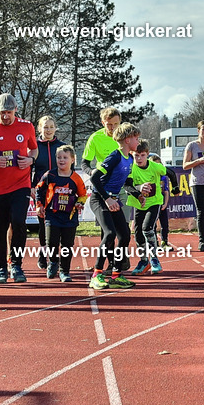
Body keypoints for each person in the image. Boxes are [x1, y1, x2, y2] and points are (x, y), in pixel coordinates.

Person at [0, 93, 39, 284]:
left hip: (20, 184)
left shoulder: (26, 126)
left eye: (9, 112)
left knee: (19, 222)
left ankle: (17, 265)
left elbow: (34, 149)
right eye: (2, 113)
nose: (5, 116)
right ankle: (1, 268)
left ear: (16, 110)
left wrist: (30, 160)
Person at [89, 123, 146, 290]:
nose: (138, 140)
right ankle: (96, 274)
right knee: (110, 233)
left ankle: (116, 274)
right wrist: (107, 199)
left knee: (125, 235)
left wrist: (137, 194)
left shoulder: (129, 158)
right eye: (136, 138)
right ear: (127, 140)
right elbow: (94, 179)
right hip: (100, 199)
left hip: (113, 200)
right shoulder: (115, 156)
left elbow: (127, 182)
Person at [34, 145, 87, 282]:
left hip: (69, 217)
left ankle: (65, 271)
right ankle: (53, 262)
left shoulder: (76, 178)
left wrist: (80, 203)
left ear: (73, 159)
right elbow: (39, 190)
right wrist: (39, 205)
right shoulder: (49, 175)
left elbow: (83, 195)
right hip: (52, 215)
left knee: (67, 245)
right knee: (51, 242)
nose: (61, 160)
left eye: (65, 157)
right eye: (59, 157)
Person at [127, 140, 167, 275]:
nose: (139, 158)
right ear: (132, 154)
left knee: (147, 228)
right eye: (136, 155)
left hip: (154, 202)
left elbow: (170, 173)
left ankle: (155, 259)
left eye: (142, 155)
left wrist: (176, 187)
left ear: (147, 154)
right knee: (137, 232)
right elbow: (127, 186)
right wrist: (139, 190)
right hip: (139, 203)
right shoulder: (131, 167)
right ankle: (144, 260)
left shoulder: (155, 166)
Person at [32, 115, 66, 269]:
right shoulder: (34, 146)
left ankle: (55, 255)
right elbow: (28, 168)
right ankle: (43, 252)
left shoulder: (61, 146)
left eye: (51, 127)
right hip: (41, 190)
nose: (49, 130)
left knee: (58, 224)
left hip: (60, 190)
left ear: (55, 128)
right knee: (43, 224)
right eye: (45, 127)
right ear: (40, 128)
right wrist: (31, 186)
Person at [182, 121, 204, 251]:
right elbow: (185, 165)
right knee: (201, 210)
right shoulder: (192, 146)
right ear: (198, 131)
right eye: (203, 129)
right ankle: (202, 241)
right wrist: (199, 161)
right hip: (197, 181)